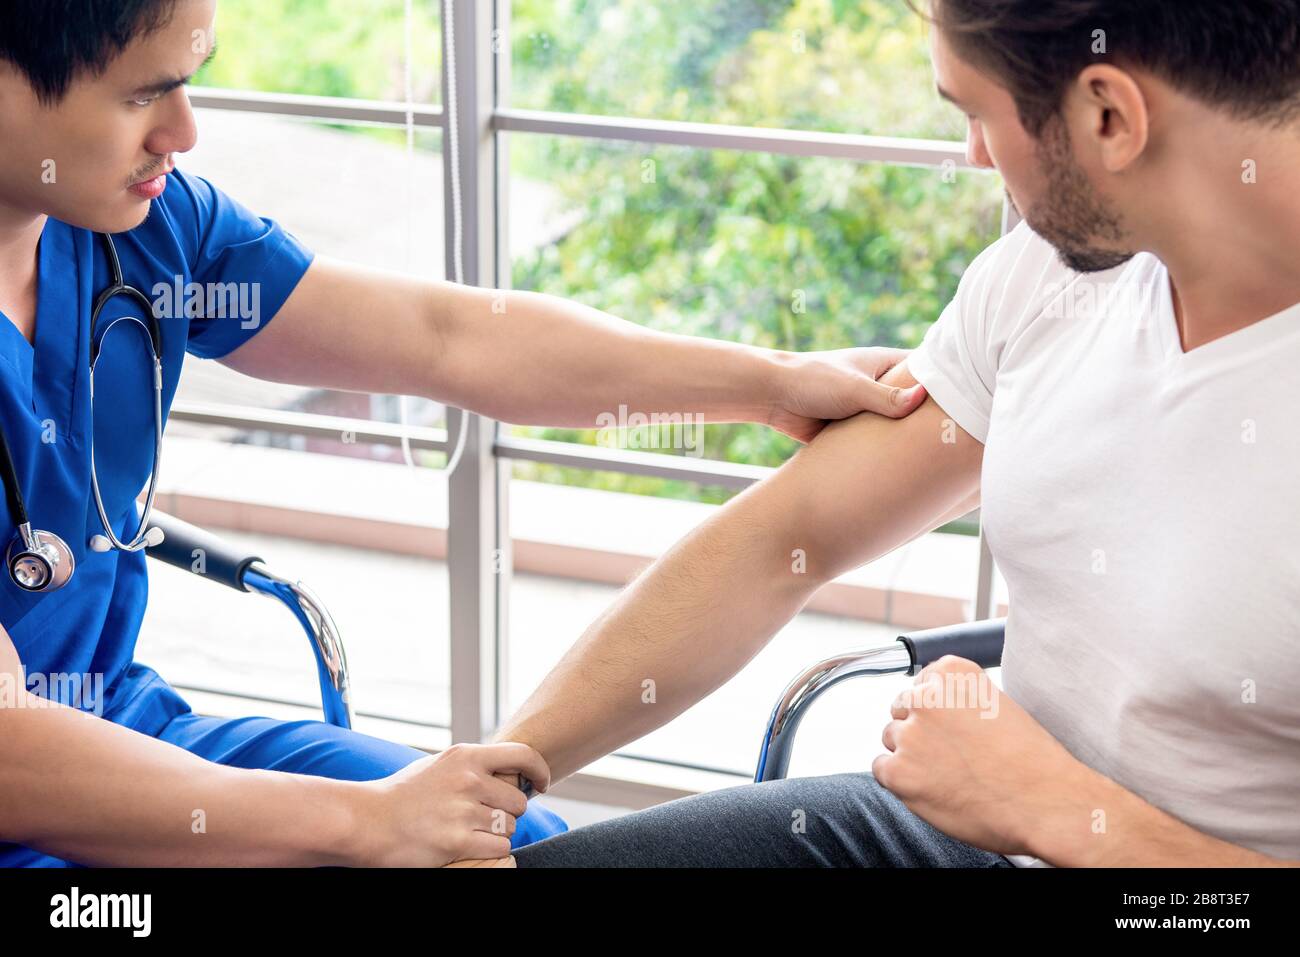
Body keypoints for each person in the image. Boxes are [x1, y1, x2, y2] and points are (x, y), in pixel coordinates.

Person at [0, 0, 926, 868]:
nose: (184, 131)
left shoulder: (152, 233)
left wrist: (770, 384)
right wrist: (365, 823)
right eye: (141, 96)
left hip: (126, 726)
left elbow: (459, 339)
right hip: (34, 780)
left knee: (510, 840)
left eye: (187, 82)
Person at [498, 0, 1300, 867]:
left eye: (976, 115)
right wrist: (493, 777)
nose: (974, 156)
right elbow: (785, 538)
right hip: (966, 836)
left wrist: (1064, 811)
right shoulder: (1050, 275)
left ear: (1109, 116)